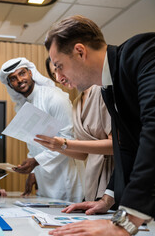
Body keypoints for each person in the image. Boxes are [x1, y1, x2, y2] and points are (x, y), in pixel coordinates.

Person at [44, 15, 155, 236]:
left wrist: (124, 224)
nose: (59, 76)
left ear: (80, 52)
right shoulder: (109, 88)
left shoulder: (144, 51)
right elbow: (127, 147)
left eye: (59, 66)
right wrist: (107, 199)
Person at [0, 57, 85, 202]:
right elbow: (33, 143)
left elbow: (69, 139)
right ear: (10, 85)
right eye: (13, 78)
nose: (19, 80)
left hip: (66, 176)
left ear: (31, 73)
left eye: (22, 73)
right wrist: (33, 172)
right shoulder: (22, 106)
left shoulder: (54, 97)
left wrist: (35, 162)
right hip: (44, 178)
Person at [34, 57, 114, 201]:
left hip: (112, 180)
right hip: (92, 180)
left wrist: (65, 143)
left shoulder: (102, 91)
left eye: (60, 69)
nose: (59, 78)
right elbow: (84, 154)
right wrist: (55, 146)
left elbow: (115, 145)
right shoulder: (76, 103)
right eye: (54, 75)